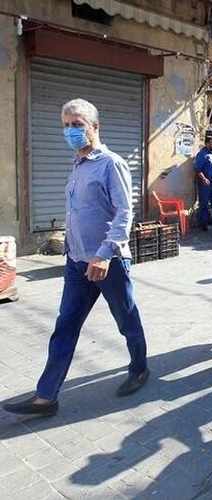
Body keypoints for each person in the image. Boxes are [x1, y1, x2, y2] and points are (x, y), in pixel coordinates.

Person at [3, 99, 149, 417]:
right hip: (76, 263)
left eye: (77, 124)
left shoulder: (110, 163)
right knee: (65, 326)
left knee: (127, 321)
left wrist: (104, 254)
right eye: (66, 125)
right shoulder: (77, 164)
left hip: (108, 263)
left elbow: (125, 213)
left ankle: (139, 368)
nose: (70, 130)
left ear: (94, 127)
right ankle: (46, 397)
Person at [194, 136, 212, 233]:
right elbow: (198, 169)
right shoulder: (202, 154)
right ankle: (203, 224)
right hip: (206, 184)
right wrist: (204, 179)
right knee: (204, 204)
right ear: (206, 144)